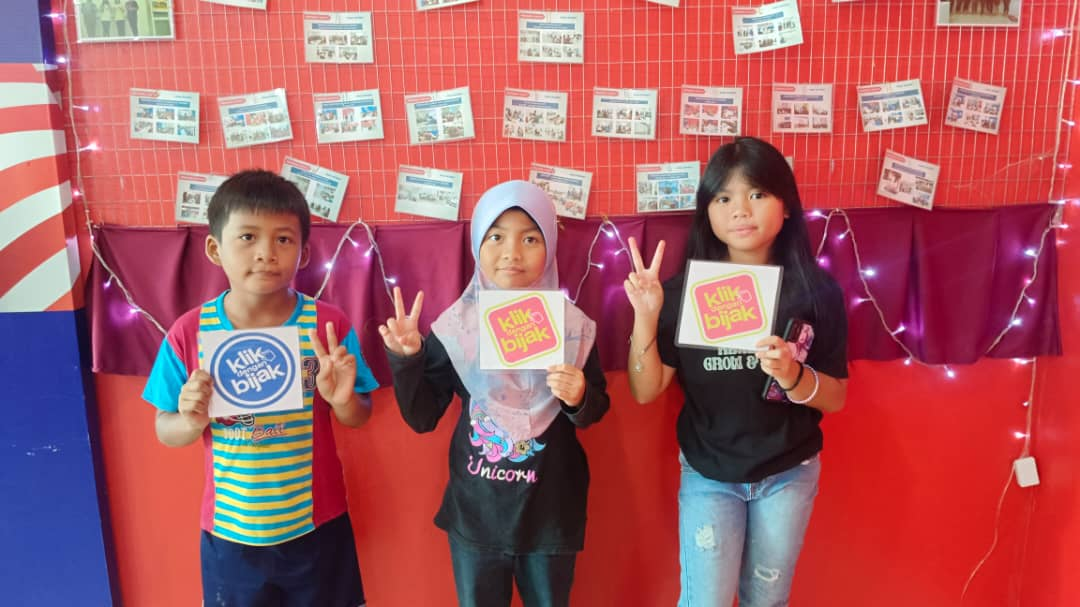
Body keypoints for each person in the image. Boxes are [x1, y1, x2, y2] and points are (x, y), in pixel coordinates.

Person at [624, 137, 849, 607]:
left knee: (767, 600)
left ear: (786, 204)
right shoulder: (683, 292)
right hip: (709, 473)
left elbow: (836, 397)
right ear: (707, 211)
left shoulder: (816, 291)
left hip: (788, 472)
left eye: (757, 194)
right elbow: (646, 391)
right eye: (723, 198)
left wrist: (792, 375)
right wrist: (646, 316)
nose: (740, 210)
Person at [142, 170, 378, 606]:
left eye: (283, 239)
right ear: (215, 249)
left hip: (317, 526)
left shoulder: (328, 324)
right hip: (230, 532)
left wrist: (342, 400)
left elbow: (359, 414)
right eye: (247, 237)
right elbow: (165, 429)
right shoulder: (189, 332)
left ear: (304, 253)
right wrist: (191, 420)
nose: (266, 253)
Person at [380, 180, 610, 607]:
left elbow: (596, 408)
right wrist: (407, 360)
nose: (512, 253)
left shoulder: (573, 327)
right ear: (476, 245)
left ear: (550, 246)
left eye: (530, 239)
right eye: (496, 237)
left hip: (549, 516)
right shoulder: (456, 328)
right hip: (477, 518)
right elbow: (422, 417)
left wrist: (579, 396)